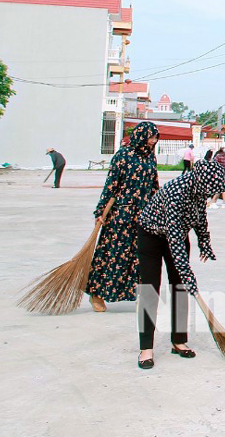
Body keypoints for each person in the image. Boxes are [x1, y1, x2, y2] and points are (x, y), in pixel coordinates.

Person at [134, 160, 225, 369]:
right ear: (200, 182)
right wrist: (188, 273)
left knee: (180, 288)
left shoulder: (198, 190)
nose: (210, 195)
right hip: (152, 235)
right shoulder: (177, 193)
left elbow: (200, 217)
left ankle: (178, 341)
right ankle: (146, 348)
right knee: (149, 288)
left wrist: (204, 243)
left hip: (176, 234)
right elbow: (174, 240)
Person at [85, 122, 161, 312]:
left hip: (144, 214)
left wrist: (160, 208)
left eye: (155, 137)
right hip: (122, 214)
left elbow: (154, 184)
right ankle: (97, 295)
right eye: (151, 137)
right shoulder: (123, 155)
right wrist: (100, 211)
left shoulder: (151, 157)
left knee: (140, 256)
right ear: (141, 136)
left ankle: (140, 296)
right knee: (112, 254)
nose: (153, 141)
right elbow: (111, 184)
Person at [210, 144, 225, 209]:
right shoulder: (218, 156)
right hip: (218, 174)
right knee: (219, 189)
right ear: (222, 148)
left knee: (223, 189)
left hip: (224, 174)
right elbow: (214, 164)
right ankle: (213, 202)